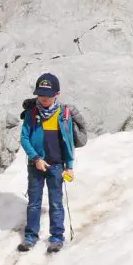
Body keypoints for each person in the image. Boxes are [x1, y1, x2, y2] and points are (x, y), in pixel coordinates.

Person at [17, 72, 84, 253]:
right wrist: (36, 158)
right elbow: (24, 138)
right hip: (36, 165)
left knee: (56, 203)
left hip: (56, 166)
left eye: (48, 95)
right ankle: (30, 237)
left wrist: (69, 166)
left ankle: (56, 237)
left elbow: (68, 142)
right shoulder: (32, 113)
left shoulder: (63, 115)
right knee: (34, 202)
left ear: (57, 94)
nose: (44, 98)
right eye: (40, 95)